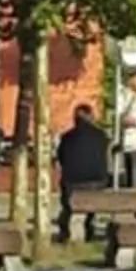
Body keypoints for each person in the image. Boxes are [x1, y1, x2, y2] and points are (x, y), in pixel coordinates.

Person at [55, 103, 111, 242]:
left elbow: (61, 159)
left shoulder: (67, 137)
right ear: (91, 116)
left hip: (72, 184)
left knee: (67, 204)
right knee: (92, 200)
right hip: (97, 183)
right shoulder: (101, 136)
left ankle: (65, 231)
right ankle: (89, 225)